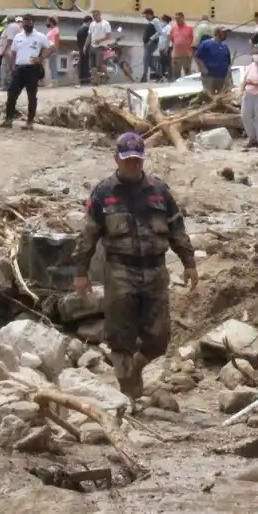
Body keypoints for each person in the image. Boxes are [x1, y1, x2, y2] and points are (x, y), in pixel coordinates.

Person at [71, 132, 199, 403]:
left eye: (137, 160)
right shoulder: (104, 193)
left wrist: (189, 262)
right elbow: (88, 235)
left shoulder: (159, 191)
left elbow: (177, 228)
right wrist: (81, 272)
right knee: (120, 334)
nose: (132, 164)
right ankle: (127, 390)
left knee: (159, 337)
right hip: (120, 271)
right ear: (116, 158)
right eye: (127, 159)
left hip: (155, 270)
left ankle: (136, 367)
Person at [0, 16, 53, 130]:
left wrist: (41, 58)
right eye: (25, 23)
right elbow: (13, 52)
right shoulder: (18, 36)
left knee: (31, 96)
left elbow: (51, 48)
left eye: (29, 23)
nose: (27, 25)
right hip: (19, 69)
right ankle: (8, 120)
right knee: (12, 94)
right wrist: (11, 66)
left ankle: (30, 122)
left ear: (33, 23)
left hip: (32, 69)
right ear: (22, 24)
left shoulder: (39, 36)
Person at [193, 27, 231, 96]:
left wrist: (229, 77)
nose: (226, 35)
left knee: (223, 97)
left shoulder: (225, 46)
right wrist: (203, 68)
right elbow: (197, 57)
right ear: (218, 33)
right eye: (224, 33)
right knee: (209, 97)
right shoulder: (206, 44)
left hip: (222, 78)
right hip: (209, 77)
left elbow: (228, 64)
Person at [87, 9, 112, 84]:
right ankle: (95, 81)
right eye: (93, 16)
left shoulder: (105, 23)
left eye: (96, 15)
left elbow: (108, 36)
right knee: (92, 65)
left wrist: (100, 40)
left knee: (99, 64)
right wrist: (85, 46)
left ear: (99, 14)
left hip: (101, 46)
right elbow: (89, 35)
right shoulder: (92, 24)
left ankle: (105, 77)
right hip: (92, 46)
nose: (95, 17)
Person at [0, 16, 23, 90]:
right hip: (14, 51)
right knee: (12, 68)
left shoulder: (11, 27)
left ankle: (5, 86)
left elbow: (9, 40)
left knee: (5, 68)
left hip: (8, 51)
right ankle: (13, 85)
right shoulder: (17, 27)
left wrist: (3, 50)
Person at [169, 11, 194, 79]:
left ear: (183, 18)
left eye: (179, 18)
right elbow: (172, 39)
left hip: (186, 55)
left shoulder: (189, 28)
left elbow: (192, 40)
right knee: (176, 74)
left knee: (187, 74)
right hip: (176, 55)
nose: (177, 20)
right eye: (176, 19)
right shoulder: (173, 28)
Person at [139, 8, 162, 83]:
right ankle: (159, 75)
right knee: (148, 61)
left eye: (145, 15)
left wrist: (151, 39)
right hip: (148, 43)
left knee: (145, 59)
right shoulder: (151, 21)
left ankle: (144, 76)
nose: (145, 16)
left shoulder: (155, 20)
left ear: (149, 14)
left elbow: (160, 32)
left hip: (151, 43)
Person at [75, 14, 92, 87]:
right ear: (89, 21)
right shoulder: (86, 29)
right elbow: (89, 39)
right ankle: (87, 81)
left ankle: (82, 80)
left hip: (80, 49)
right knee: (87, 65)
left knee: (82, 65)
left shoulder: (79, 29)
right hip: (86, 49)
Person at [156, 14, 173, 81]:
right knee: (162, 63)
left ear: (165, 20)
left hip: (167, 47)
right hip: (161, 48)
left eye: (162, 20)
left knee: (168, 63)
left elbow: (169, 37)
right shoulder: (162, 27)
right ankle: (162, 77)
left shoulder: (168, 27)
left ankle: (170, 77)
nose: (161, 21)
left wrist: (166, 48)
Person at [45, 16, 60, 87]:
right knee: (51, 66)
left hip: (53, 49)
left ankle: (55, 82)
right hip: (49, 49)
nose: (46, 23)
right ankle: (53, 81)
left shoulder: (55, 29)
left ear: (51, 22)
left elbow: (56, 40)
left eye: (47, 21)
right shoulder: (50, 30)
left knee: (53, 66)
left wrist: (55, 49)